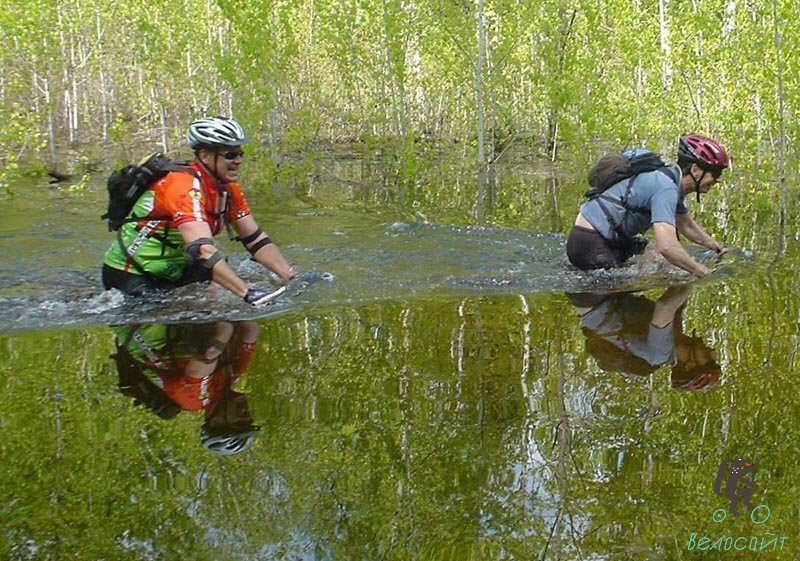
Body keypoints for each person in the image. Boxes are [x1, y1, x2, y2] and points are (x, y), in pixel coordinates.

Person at [102, 116, 295, 305]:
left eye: (240, 154)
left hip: (176, 269)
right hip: (132, 273)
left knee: (220, 301)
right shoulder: (182, 186)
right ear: (204, 155)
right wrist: (247, 293)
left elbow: (255, 239)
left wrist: (291, 277)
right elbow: (201, 250)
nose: (238, 160)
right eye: (230, 155)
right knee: (183, 316)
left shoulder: (227, 189)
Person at [566, 134, 730, 277]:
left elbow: (686, 226)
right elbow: (667, 246)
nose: (718, 179)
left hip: (601, 236)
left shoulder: (671, 182)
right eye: (715, 173)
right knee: (630, 289)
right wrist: (703, 272)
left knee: (657, 257)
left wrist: (717, 248)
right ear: (695, 170)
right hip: (590, 243)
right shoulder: (666, 188)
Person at [113, 320, 262, 455]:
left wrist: (225, 320)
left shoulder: (196, 399)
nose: (246, 414)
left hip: (143, 329)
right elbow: (251, 330)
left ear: (216, 421)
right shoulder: (231, 376)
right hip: (174, 324)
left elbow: (208, 353)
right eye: (249, 419)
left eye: (240, 421)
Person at [567, 286, 721, 390]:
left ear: (688, 365)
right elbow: (678, 291)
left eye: (709, 361)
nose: (712, 352)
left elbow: (665, 306)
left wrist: (694, 277)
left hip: (591, 297)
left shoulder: (660, 353)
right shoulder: (676, 335)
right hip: (611, 294)